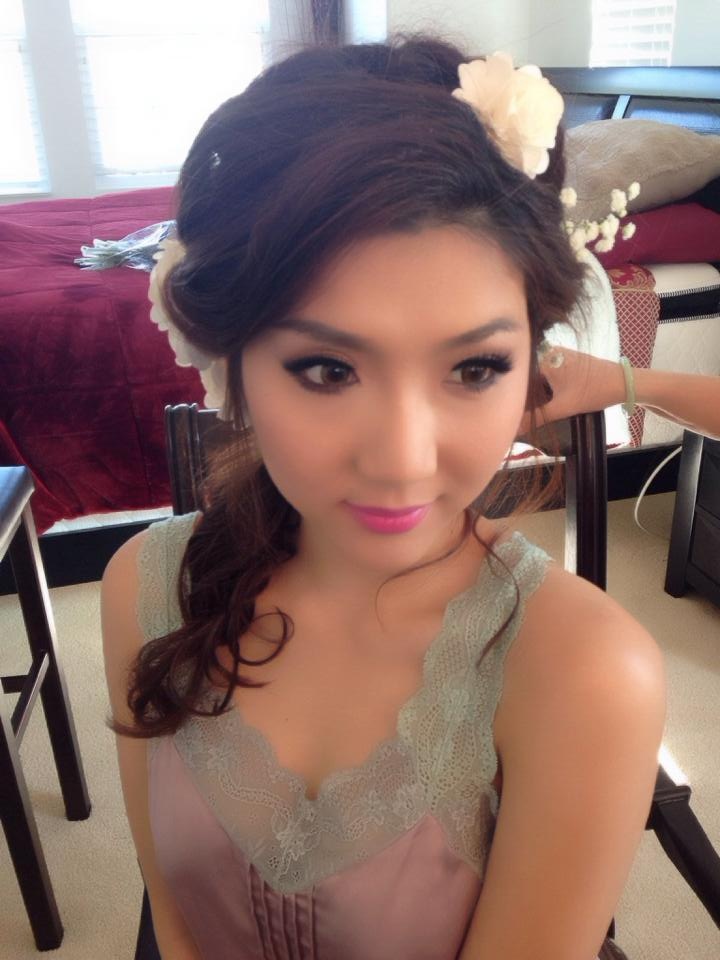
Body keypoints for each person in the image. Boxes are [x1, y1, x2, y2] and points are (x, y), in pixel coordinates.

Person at [100, 35, 682, 960]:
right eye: (327, 369)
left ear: (532, 360)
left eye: (475, 367)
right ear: (231, 366)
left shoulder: (583, 672)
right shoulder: (146, 586)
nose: (405, 463)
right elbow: (174, 926)